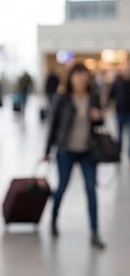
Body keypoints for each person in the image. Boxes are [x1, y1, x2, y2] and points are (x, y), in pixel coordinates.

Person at [44, 63, 105, 249]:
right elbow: (53, 126)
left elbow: (100, 122)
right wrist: (46, 151)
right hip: (66, 150)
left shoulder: (93, 97)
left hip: (88, 151)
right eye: (78, 76)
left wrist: (98, 117)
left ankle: (94, 232)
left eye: (84, 76)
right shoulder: (62, 99)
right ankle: (53, 220)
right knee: (62, 187)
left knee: (91, 190)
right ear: (71, 78)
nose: (81, 79)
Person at [107, 65, 130, 158]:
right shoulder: (117, 83)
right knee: (119, 133)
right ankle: (118, 153)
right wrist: (107, 107)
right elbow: (111, 95)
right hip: (120, 112)